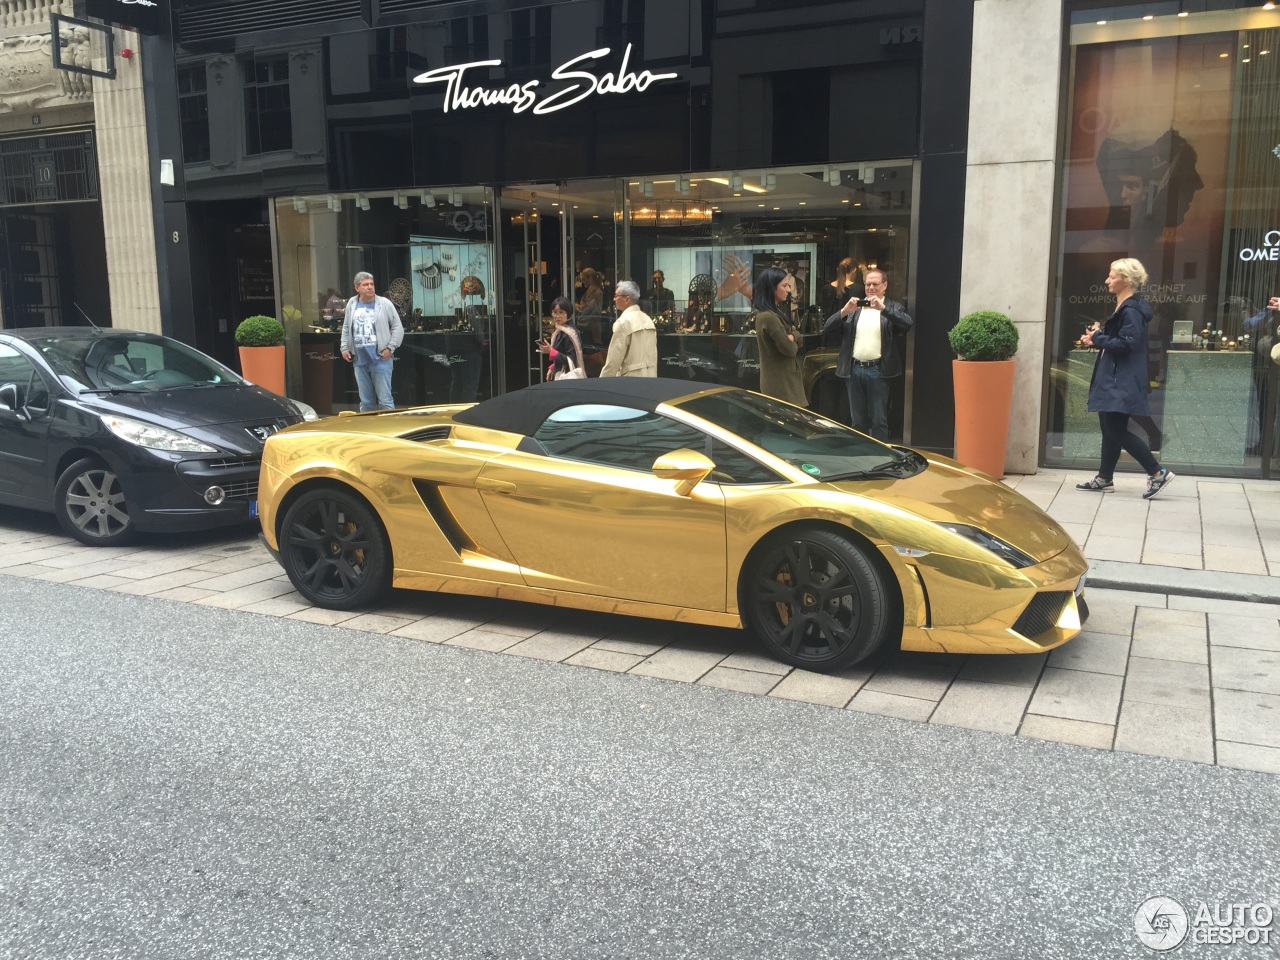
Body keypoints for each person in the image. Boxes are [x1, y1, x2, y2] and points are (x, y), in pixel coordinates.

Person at [1077, 257, 1175, 499]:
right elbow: (1120, 341)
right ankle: (1104, 478)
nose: (1107, 280)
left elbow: (1127, 343)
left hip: (1119, 380)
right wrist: (1097, 337)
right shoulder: (1125, 307)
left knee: (1115, 430)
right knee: (1110, 428)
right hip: (1115, 377)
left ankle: (1157, 472)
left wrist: (1098, 338)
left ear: (1126, 280)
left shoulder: (1130, 310)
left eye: (1112, 276)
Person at [820, 268, 913, 440]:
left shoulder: (892, 307)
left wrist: (883, 309)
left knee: (879, 420)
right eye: (867, 284)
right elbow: (827, 327)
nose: (871, 287)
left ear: (884, 286)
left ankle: (881, 458)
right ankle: (861, 455)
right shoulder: (855, 309)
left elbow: (906, 324)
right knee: (857, 421)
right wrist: (844, 311)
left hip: (878, 370)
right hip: (854, 370)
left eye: (875, 284)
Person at [340, 271, 404, 411]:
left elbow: (398, 327)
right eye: (365, 285)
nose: (370, 287)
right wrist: (344, 348)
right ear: (357, 288)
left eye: (371, 284)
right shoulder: (352, 303)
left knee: (385, 401)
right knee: (366, 402)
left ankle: (389, 430)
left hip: (380, 359)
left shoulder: (384, 303)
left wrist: (390, 349)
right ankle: (367, 430)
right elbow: (346, 327)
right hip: (360, 361)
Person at [752, 268, 806, 406]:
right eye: (784, 285)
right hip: (781, 387)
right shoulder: (769, 317)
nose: (788, 290)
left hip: (782, 384)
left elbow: (796, 339)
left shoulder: (771, 314)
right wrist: (795, 337)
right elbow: (790, 349)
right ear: (772, 287)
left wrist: (793, 336)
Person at [599, 280, 657, 377]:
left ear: (627, 299)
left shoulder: (623, 322)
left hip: (630, 381)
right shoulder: (648, 320)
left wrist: (602, 383)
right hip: (651, 377)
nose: (614, 299)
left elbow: (614, 360)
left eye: (616, 296)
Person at [536, 297, 586, 380]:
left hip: (568, 377)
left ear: (568, 313)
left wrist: (551, 351)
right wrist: (553, 367)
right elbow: (562, 353)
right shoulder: (559, 330)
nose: (557, 316)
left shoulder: (569, 333)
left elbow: (572, 359)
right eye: (554, 312)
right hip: (561, 374)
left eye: (561, 312)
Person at [575, 267, 605, 344]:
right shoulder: (591, 291)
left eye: (584, 279)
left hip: (592, 329)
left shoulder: (597, 292)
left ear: (590, 278)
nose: (583, 282)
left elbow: (589, 309)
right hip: (587, 328)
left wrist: (578, 307)